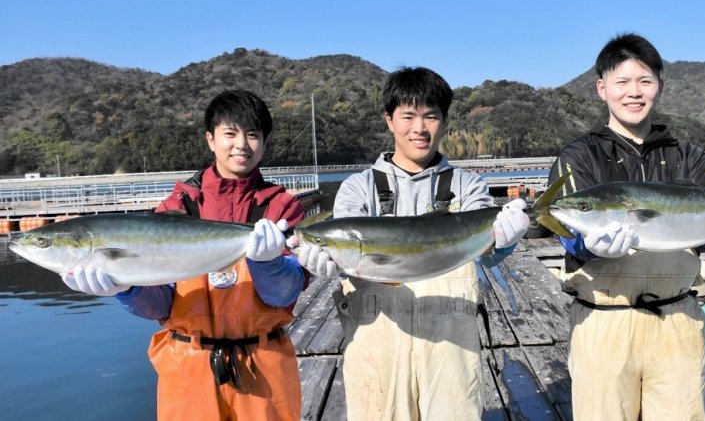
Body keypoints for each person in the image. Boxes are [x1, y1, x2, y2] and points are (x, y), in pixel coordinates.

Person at [547, 33, 705, 420]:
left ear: (659, 86)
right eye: (622, 82)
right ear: (601, 88)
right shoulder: (579, 156)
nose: (634, 92)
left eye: (645, 81)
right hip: (603, 322)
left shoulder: (688, 156)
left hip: (677, 320)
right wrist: (588, 247)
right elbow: (565, 229)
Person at [289, 66, 531, 420]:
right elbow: (340, 255)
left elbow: (485, 257)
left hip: (452, 348)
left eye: (431, 117)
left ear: (444, 121)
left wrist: (504, 242)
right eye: (408, 116)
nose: (419, 128)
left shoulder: (468, 187)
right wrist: (324, 260)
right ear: (389, 120)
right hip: (378, 347)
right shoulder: (359, 189)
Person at [60, 90, 307, 420]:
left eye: (252, 134)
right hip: (186, 367)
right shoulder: (175, 208)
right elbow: (161, 305)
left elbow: (284, 294)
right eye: (230, 134)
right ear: (210, 139)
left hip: (264, 366)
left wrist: (270, 265)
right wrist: (125, 289)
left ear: (264, 141)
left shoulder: (281, 208)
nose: (242, 145)